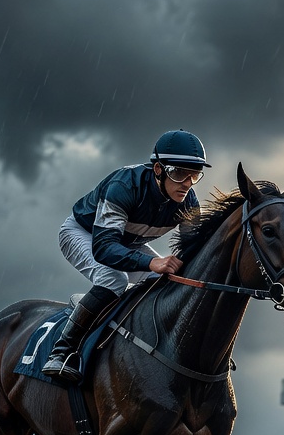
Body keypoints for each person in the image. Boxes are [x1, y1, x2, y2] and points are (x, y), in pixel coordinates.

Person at [42, 129, 210, 381]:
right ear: (158, 170)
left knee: (164, 282)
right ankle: (62, 350)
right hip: (84, 233)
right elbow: (104, 247)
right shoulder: (124, 186)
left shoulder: (188, 202)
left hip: (128, 242)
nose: (186, 183)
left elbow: (193, 250)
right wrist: (152, 261)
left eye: (194, 175)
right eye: (178, 173)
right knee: (114, 280)